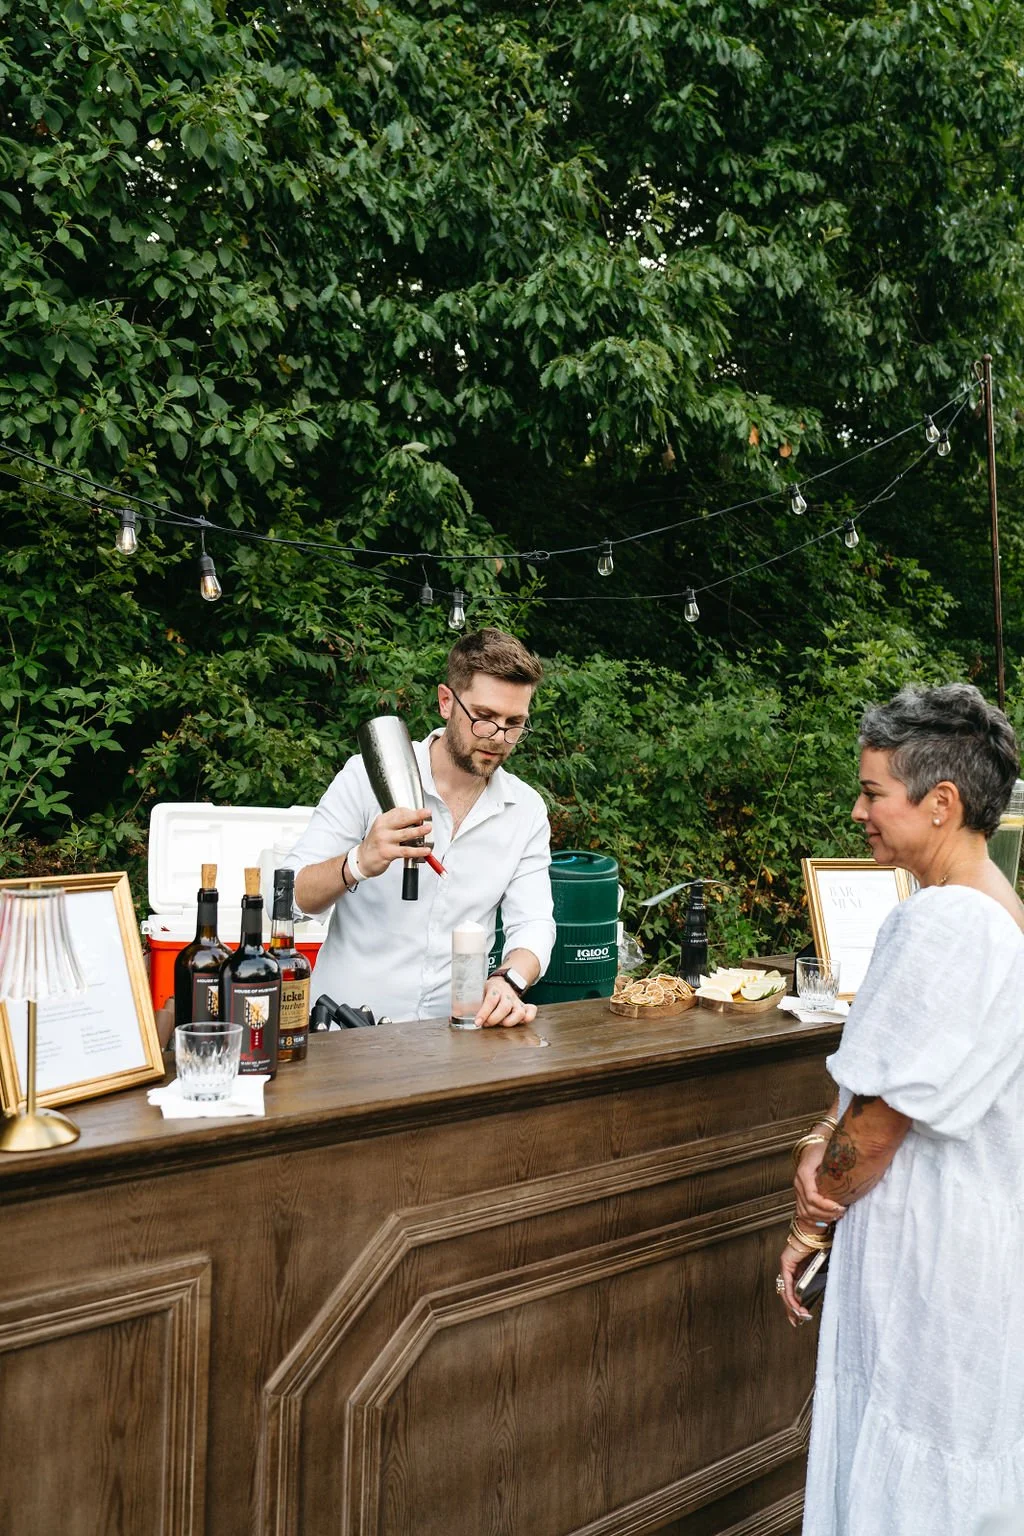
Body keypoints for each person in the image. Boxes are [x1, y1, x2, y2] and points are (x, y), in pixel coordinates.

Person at [777, 682, 1024, 1536]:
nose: (859, 812)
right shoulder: (1000, 911)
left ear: (941, 802)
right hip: (976, 1233)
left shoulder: (943, 923)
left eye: (873, 791)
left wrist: (810, 1220)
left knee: (912, 1468)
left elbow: (879, 1127)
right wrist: (828, 1128)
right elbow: (888, 1080)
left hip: (928, 1242)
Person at [286, 628, 556, 1026]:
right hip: (346, 1031)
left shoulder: (525, 809)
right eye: (483, 718)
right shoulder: (367, 776)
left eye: (514, 723)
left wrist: (508, 980)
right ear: (446, 702)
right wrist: (358, 861)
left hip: (453, 1034)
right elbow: (287, 898)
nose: (498, 738)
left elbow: (533, 923)